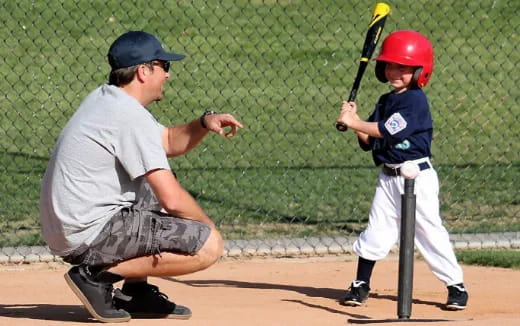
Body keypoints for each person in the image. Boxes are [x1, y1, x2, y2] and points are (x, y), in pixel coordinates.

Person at [39, 31, 243, 323]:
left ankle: (136, 292)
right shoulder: (126, 116)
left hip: (74, 226)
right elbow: (171, 198)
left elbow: (168, 141)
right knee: (208, 247)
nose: (168, 76)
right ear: (143, 71)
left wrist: (202, 123)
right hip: (88, 233)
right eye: (164, 66)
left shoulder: (108, 99)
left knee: (144, 184)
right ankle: (95, 276)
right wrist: (206, 226)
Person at [335, 30, 468, 310]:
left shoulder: (415, 101)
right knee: (376, 230)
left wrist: (355, 123)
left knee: (429, 231)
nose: (395, 71)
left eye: (404, 67)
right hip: (389, 177)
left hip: (417, 176)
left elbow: (388, 131)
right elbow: (369, 140)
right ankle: (360, 284)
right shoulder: (385, 100)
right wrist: (353, 120)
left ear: (420, 71)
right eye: (390, 65)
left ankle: (456, 285)